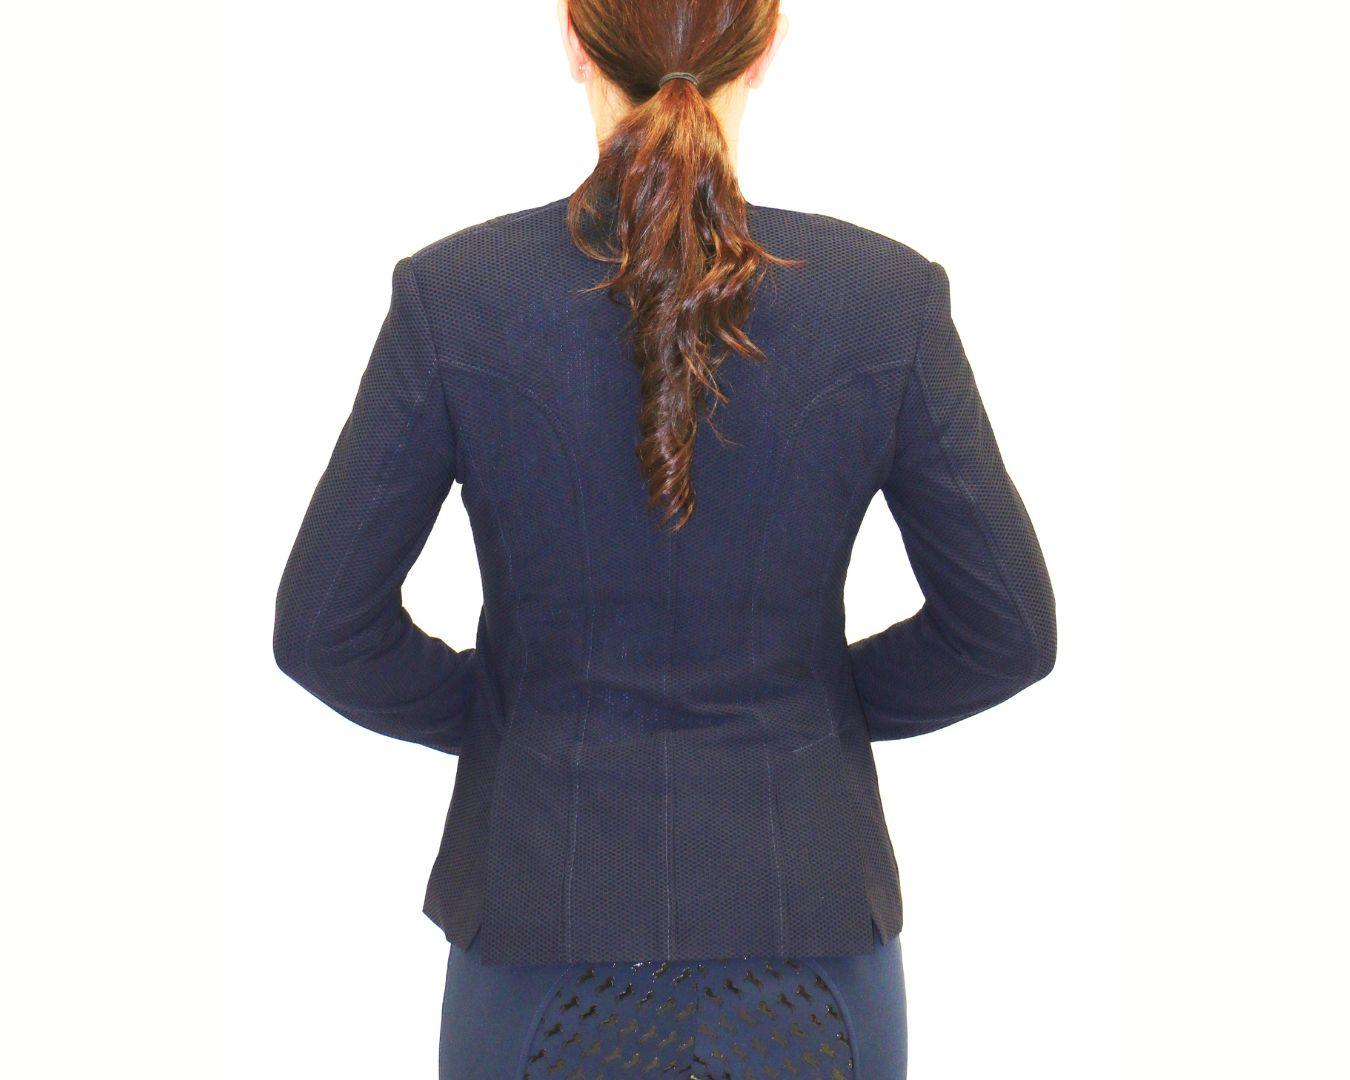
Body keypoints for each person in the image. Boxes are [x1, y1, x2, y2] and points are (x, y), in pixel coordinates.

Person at [272, 0, 1056, 1075]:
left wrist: (516, 717)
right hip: (812, 949)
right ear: (765, 47)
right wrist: (812, 708)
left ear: (575, 40)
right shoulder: (883, 300)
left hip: (539, 933)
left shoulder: (456, 299)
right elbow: (1006, 630)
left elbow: (324, 628)